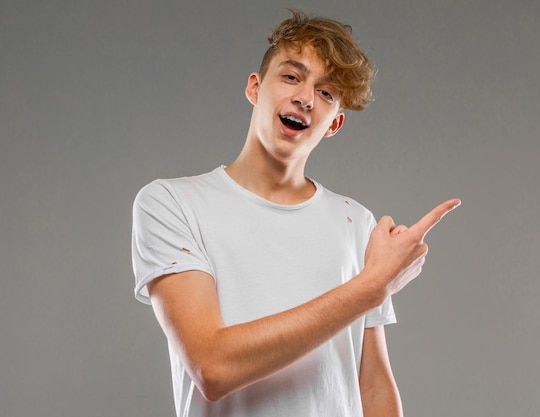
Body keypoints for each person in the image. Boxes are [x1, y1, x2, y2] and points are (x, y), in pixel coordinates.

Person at [131, 9, 460, 417]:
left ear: (334, 123)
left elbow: (372, 387)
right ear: (255, 87)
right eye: (291, 76)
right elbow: (211, 367)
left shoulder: (355, 222)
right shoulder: (171, 202)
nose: (305, 98)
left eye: (326, 93)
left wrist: (372, 288)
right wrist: (370, 288)